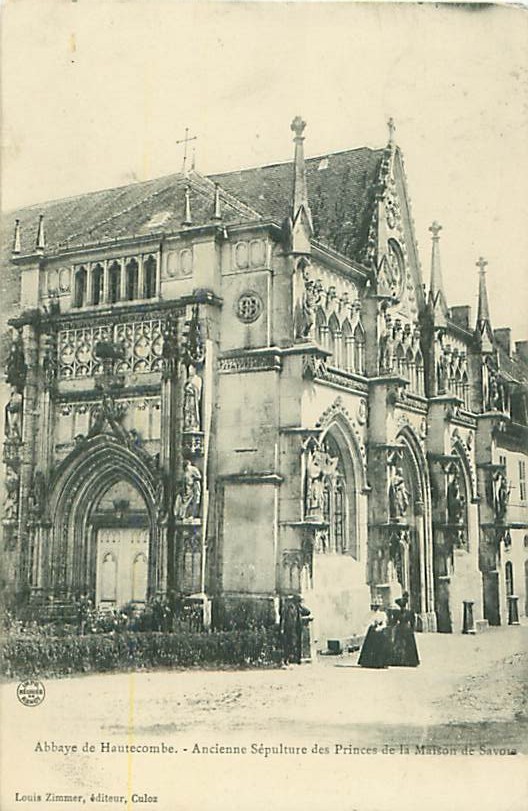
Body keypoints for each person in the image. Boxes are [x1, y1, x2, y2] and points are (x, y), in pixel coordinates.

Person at [390, 591, 420, 667]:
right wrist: (412, 629)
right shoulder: (405, 612)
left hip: (403, 628)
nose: (402, 607)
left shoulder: (405, 612)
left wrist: (412, 629)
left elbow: (394, 622)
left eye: (403, 606)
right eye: (401, 606)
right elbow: (412, 622)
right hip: (405, 628)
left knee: (403, 644)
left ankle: (403, 660)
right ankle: (405, 660)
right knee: (403, 644)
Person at [358, 602, 391, 669]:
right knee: (370, 646)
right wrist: (371, 623)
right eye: (374, 606)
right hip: (372, 632)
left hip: (379, 632)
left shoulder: (382, 614)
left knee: (380, 646)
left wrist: (379, 627)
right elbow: (364, 622)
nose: (376, 608)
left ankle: (380, 662)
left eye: (377, 606)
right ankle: (369, 662)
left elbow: (384, 624)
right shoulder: (370, 614)